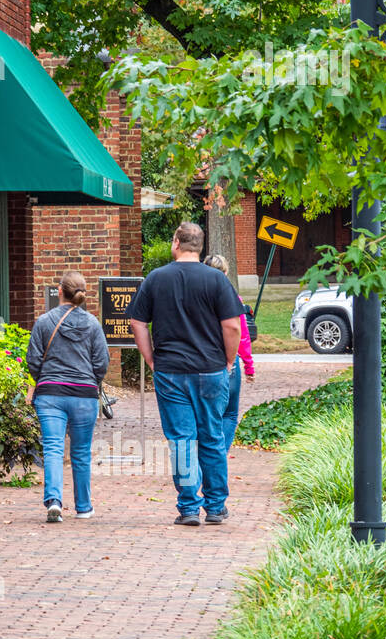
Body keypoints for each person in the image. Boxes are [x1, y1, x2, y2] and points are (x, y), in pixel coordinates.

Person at [126, 222, 242, 526]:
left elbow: (138, 323)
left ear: (176, 243)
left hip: (171, 371)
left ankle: (189, 506)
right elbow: (232, 326)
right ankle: (216, 507)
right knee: (212, 437)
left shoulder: (156, 279)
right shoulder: (217, 280)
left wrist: (151, 358)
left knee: (181, 440)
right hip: (211, 369)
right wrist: (229, 361)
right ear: (199, 246)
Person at [26, 271, 111, 522]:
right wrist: (90, 383)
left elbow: (33, 359)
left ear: (59, 291)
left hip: (51, 394)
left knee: (52, 448)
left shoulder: (44, 322)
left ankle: (54, 501)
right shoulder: (93, 324)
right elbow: (102, 362)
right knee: (81, 452)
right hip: (84, 396)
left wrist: (45, 378)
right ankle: (83, 507)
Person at [204, 253, 255, 454]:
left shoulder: (197, 298)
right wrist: (249, 366)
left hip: (202, 361)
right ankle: (219, 455)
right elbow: (241, 336)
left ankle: (208, 454)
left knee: (207, 413)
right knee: (230, 414)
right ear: (225, 273)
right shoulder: (233, 298)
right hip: (228, 363)